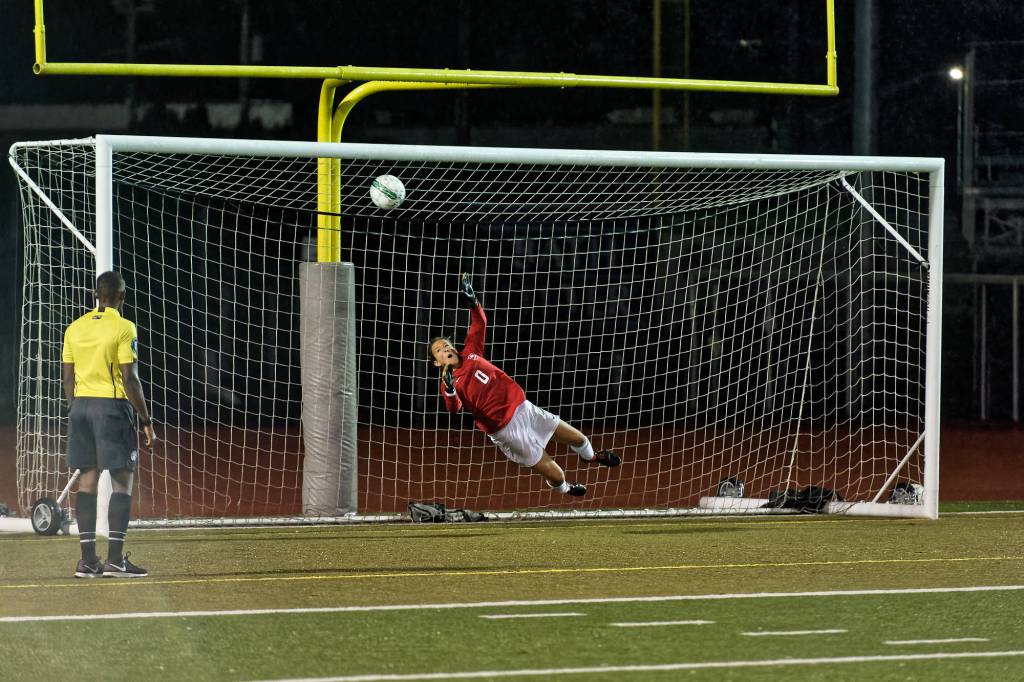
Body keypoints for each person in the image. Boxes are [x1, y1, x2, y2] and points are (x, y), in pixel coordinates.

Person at [429, 273, 620, 497]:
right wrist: (450, 389)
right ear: (436, 362)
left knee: (579, 439)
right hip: (507, 431)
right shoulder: (449, 383)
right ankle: (566, 488)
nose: (445, 349)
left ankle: (592, 457)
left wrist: (473, 302)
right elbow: (454, 408)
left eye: (446, 344)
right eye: (439, 350)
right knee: (557, 475)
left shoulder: (472, 352)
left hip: (525, 409)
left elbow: (479, 323)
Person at [62, 271, 156, 578]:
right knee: (122, 481)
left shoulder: (74, 328)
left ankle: (87, 561)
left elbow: (67, 377)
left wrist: (75, 408)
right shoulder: (124, 327)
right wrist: (146, 421)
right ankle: (115, 560)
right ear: (122, 296)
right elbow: (130, 378)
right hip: (111, 408)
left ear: (95, 295)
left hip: (80, 408)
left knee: (87, 482)